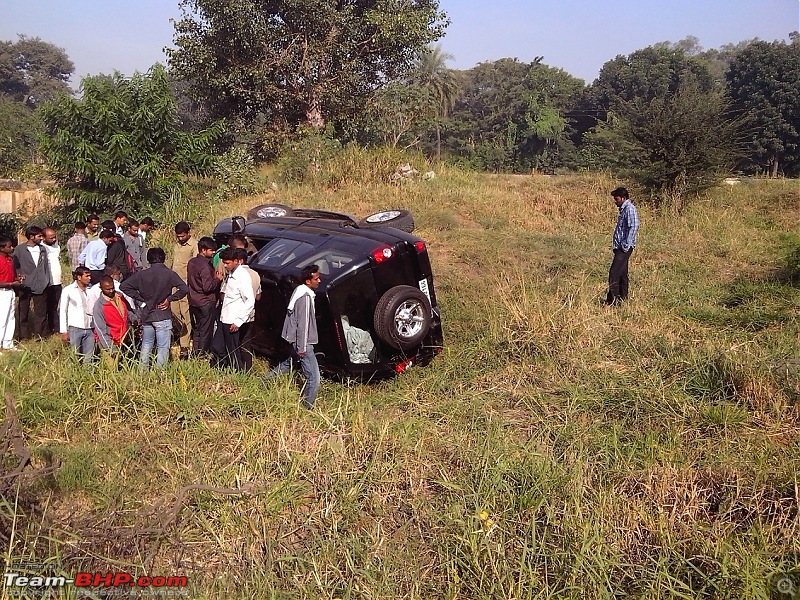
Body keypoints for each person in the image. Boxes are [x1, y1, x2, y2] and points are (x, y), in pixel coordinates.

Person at [263, 264, 321, 409]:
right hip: (303, 343)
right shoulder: (306, 298)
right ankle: (307, 407)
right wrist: (302, 347)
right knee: (314, 378)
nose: (319, 281)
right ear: (308, 281)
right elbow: (303, 324)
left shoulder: (298, 291)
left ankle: (265, 380)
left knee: (287, 364)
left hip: (295, 340)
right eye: (316, 278)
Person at [121, 247, 188, 370]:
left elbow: (124, 286)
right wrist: (169, 299)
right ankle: (159, 373)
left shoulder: (141, 274)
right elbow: (184, 289)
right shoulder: (169, 274)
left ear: (149, 259)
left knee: (146, 345)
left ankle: (143, 371)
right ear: (163, 258)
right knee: (162, 347)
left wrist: (141, 299)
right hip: (162, 315)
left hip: (147, 315)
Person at [213, 247, 255, 371]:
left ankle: (236, 373)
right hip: (224, 318)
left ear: (237, 261)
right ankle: (223, 368)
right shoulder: (231, 274)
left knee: (233, 351)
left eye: (227, 263)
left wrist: (238, 321)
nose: (225, 266)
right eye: (224, 263)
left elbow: (250, 300)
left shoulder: (242, 277)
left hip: (232, 321)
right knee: (217, 346)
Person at [13, 226, 50, 340]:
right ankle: (23, 336)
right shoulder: (19, 249)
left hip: (40, 284)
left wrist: (46, 280)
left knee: (41, 312)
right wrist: (18, 279)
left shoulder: (42, 249)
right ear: (31, 236)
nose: (41, 238)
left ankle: (40, 336)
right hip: (25, 285)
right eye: (39, 236)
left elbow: (45, 266)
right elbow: (15, 266)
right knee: (23, 312)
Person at [604, 186, 640, 306]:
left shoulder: (630, 209)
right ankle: (622, 299)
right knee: (622, 274)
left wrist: (625, 244)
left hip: (624, 248)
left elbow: (634, 226)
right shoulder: (624, 209)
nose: (615, 201)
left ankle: (612, 301)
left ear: (623, 198)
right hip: (620, 247)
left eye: (617, 199)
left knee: (614, 273)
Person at [186, 237, 220, 356]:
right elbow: (207, 287)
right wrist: (217, 280)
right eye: (211, 250)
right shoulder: (205, 266)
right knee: (206, 330)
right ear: (203, 250)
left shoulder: (192, 262)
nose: (214, 252)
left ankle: (196, 352)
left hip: (193, 300)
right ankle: (202, 354)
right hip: (205, 301)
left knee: (197, 329)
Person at [171, 221, 198, 359]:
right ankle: (181, 334)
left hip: (185, 284)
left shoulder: (194, 245)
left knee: (185, 314)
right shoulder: (176, 245)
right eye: (178, 237)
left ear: (188, 233)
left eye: (182, 236)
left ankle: (185, 345)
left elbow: (195, 266)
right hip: (174, 284)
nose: (180, 239)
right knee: (174, 311)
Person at [93, 275, 134, 364]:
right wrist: (111, 349)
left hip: (123, 339)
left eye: (112, 288)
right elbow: (101, 331)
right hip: (110, 341)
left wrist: (135, 319)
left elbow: (128, 311)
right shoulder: (99, 306)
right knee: (112, 369)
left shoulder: (120, 296)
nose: (111, 291)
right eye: (107, 289)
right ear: (101, 288)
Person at [59, 266, 95, 365]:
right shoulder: (68, 290)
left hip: (90, 328)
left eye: (90, 276)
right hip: (75, 327)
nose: (89, 278)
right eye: (86, 276)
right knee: (74, 356)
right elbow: (63, 310)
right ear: (79, 277)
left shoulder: (91, 290)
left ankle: (88, 377)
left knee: (89, 357)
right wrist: (64, 331)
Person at [0, 236, 25, 351]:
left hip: (10, 292)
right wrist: (12, 284)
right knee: (2, 319)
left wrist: (18, 278)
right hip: (2, 292)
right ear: (2, 248)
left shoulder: (10, 260)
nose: (12, 248)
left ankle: (8, 343)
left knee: (10, 317)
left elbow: (10, 276)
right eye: (9, 246)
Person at [42, 227, 63, 335]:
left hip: (57, 282)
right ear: (44, 238)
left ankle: (56, 328)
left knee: (56, 306)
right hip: (47, 282)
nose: (54, 239)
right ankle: (46, 330)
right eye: (51, 238)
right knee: (46, 306)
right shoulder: (42, 248)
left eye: (54, 237)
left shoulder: (56, 246)